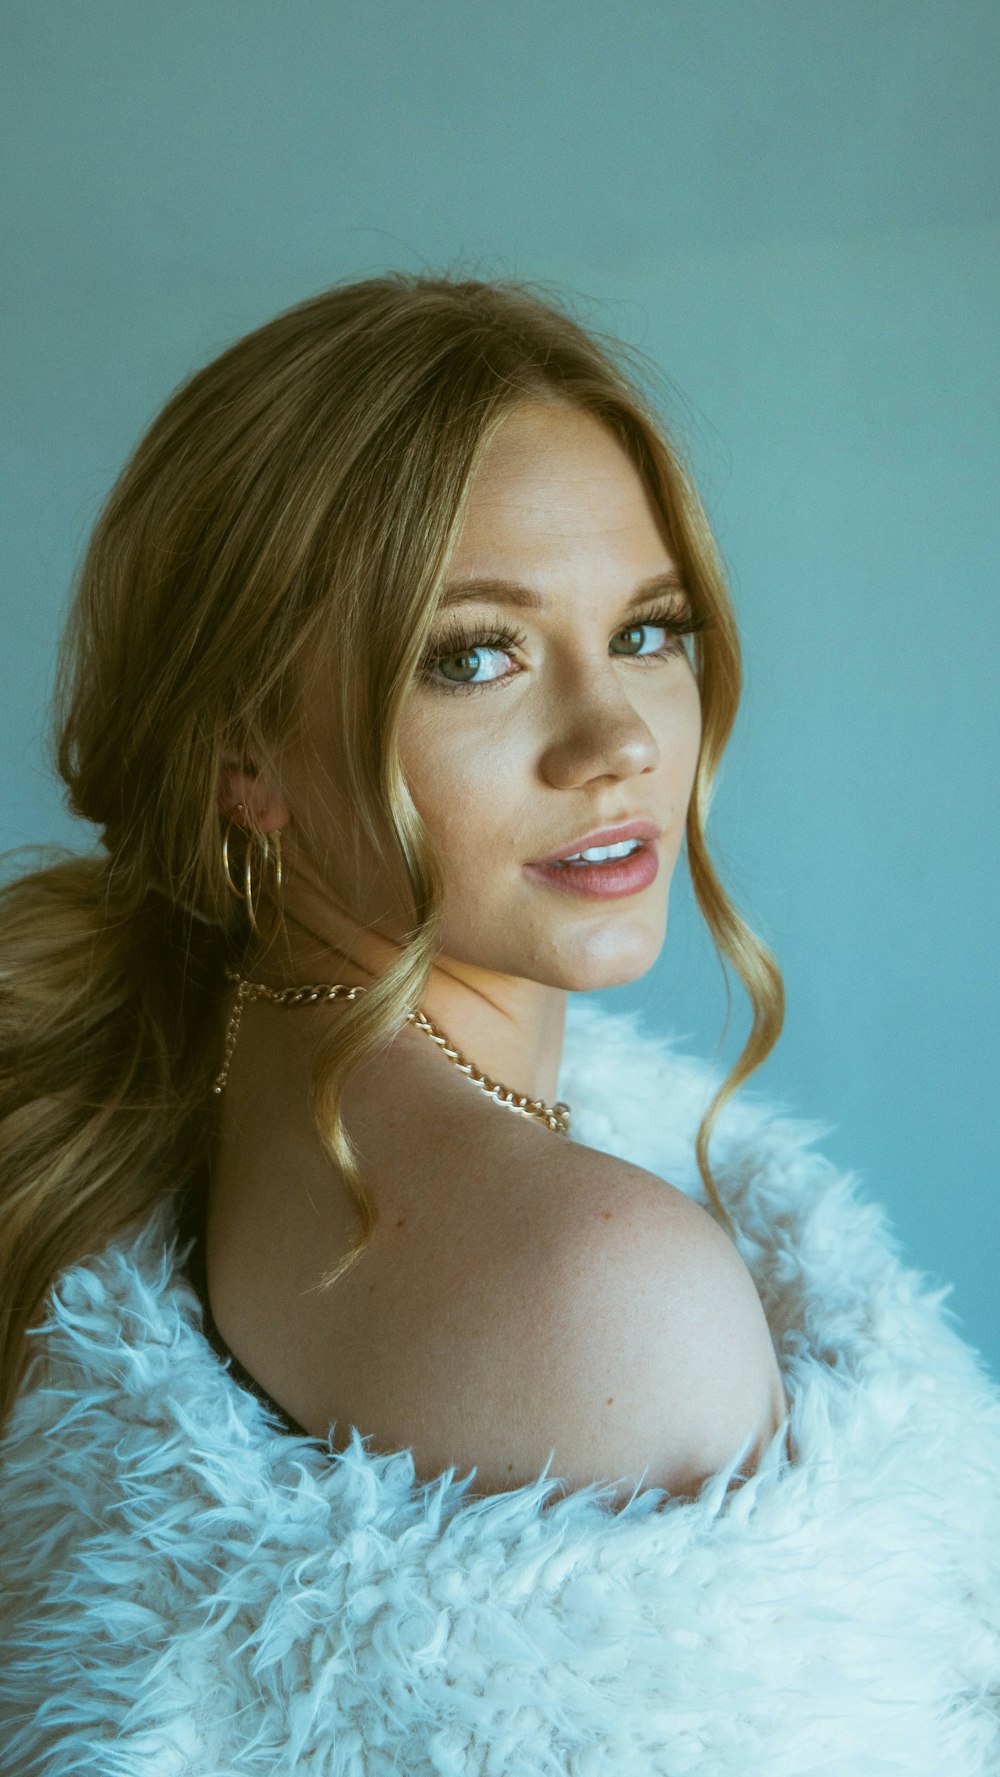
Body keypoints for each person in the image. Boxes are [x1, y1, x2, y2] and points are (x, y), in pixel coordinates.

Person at [2, 273, 997, 1775]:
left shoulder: (211, 1075)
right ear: (242, 754)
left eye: (650, 630)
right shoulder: (604, 1292)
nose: (619, 739)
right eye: (476, 653)